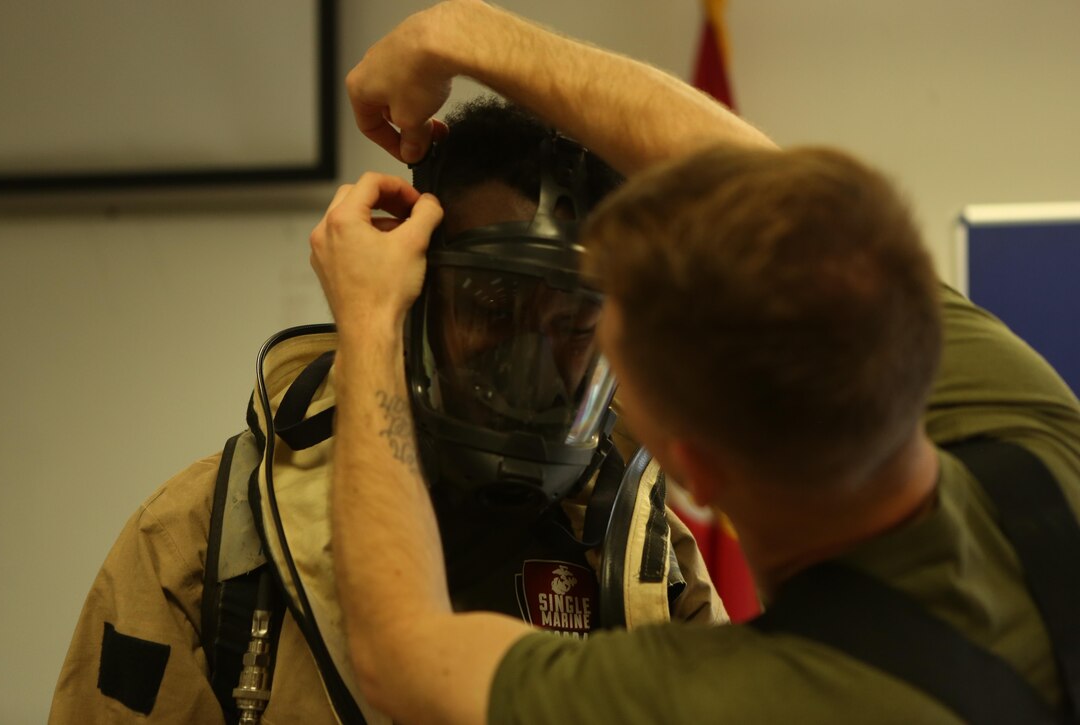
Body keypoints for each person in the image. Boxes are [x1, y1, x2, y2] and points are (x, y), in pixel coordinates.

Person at [313, 2, 1080, 723]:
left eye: (582, 331)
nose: (545, 369)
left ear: (696, 472)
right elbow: (768, 198)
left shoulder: (737, 698)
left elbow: (402, 652)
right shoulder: (1042, 440)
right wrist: (461, 30)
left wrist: (372, 316)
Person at [48, 97, 723, 724]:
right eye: (492, 310)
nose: (531, 370)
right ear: (415, 298)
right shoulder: (207, 540)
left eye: (574, 327)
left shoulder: (649, 566)